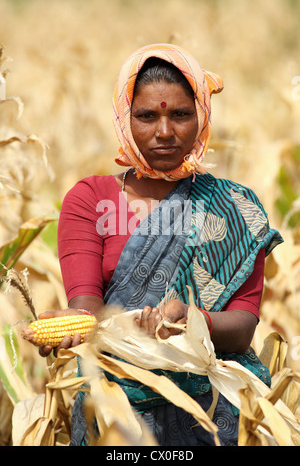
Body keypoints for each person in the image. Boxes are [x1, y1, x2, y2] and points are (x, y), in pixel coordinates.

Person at [39, 44, 283, 446]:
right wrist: (75, 326)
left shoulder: (235, 207)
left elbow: (241, 329)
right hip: (119, 412)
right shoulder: (89, 199)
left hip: (213, 414)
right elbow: (89, 308)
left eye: (181, 115)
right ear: (124, 117)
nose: (165, 132)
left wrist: (190, 320)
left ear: (202, 114)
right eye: (147, 116)